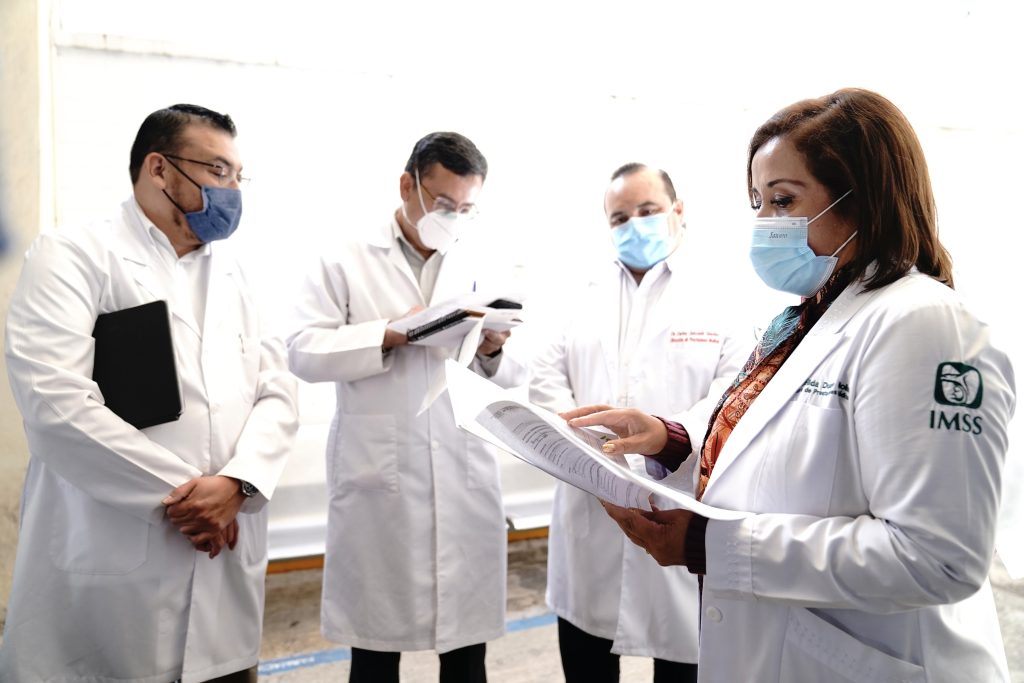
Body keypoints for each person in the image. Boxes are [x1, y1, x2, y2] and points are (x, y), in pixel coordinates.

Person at [565, 88, 1016, 682]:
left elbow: (937, 557)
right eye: (759, 203)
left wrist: (710, 545)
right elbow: (769, 451)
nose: (764, 224)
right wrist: (668, 439)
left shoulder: (924, 326)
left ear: (864, 196)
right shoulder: (807, 320)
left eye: (783, 200)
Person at [0, 104, 299, 683]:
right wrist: (192, 499)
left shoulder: (240, 274)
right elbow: (54, 403)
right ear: (159, 169)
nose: (232, 190)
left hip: (225, 552)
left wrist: (237, 485)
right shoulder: (73, 254)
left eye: (239, 176)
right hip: (112, 560)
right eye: (218, 170)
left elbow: (278, 391)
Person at [286, 131, 527, 683]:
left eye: (465, 208)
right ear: (406, 185)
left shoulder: (481, 258)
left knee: (466, 655)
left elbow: (516, 373)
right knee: (375, 653)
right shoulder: (344, 257)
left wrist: (492, 347)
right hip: (379, 478)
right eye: (443, 203)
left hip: (462, 468)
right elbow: (302, 351)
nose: (453, 218)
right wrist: (389, 334)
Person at [530, 163, 746, 682]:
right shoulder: (579, 294)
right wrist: (585, 444)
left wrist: (670, 435)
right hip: (590, 501)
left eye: (647, 211)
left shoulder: (723, 293)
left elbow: (734, 391)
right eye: (620, 217)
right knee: (586, 656)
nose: (634, 225)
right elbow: (545, 377)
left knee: (682, 659)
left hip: (678, 498)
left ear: (677, 210)